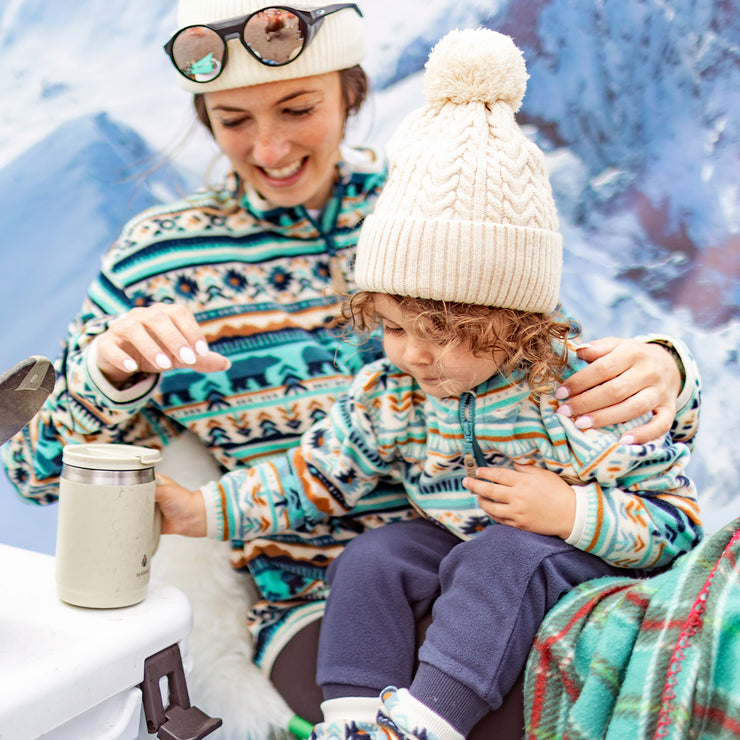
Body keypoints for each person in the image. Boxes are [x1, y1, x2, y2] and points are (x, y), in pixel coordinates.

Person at [1, 0, 700, 727]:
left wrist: (666, 370)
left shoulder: (429, 210)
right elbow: (33, 475)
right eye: (234, 120)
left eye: (297, 107)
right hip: (319, 603)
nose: (268, 149)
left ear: (350, 91)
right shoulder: (155, 261)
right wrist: (107, 381)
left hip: (494, 563)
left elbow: (538, 371)